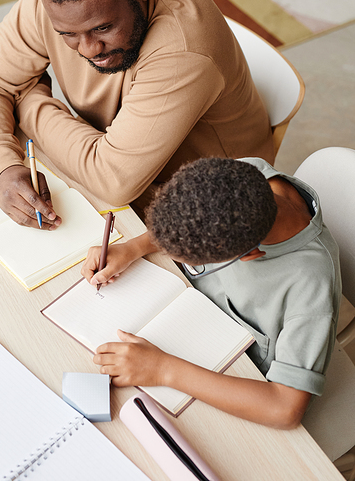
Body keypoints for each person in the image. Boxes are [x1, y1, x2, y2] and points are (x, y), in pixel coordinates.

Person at [0, 0, 274, 229]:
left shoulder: (183, 52)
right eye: (68, 34)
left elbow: (112, 180)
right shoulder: (55, 0)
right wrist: (1, 166)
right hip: (114, 165)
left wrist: (28, 101)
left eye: (103, 28)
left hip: (209, 209)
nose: (89, 49)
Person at [82, 157, 341, 429]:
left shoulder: (311, 285)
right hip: (196, 320)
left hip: (235, 374)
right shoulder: (241, 176)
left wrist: (163, 370)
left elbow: (284, 410)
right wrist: (135, 247)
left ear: (250, 255)